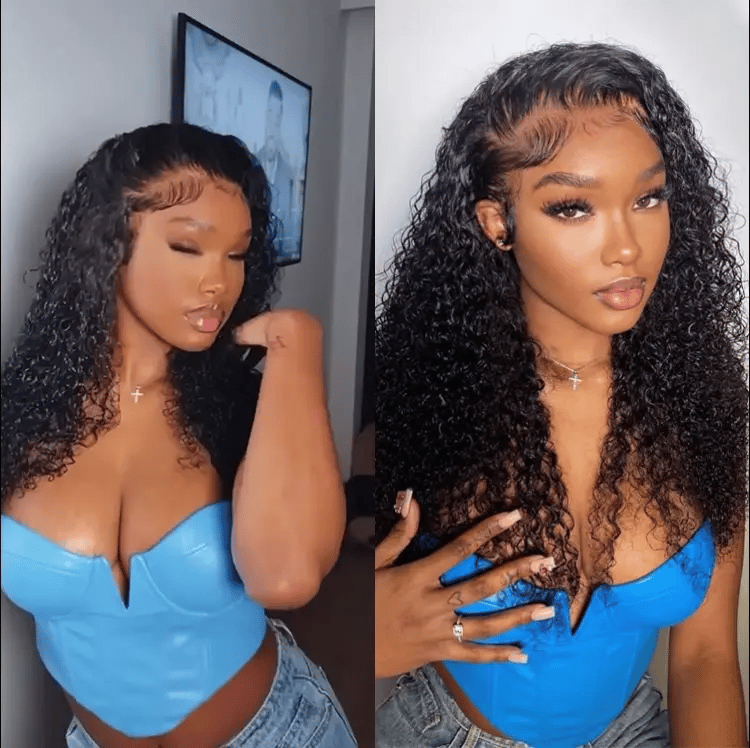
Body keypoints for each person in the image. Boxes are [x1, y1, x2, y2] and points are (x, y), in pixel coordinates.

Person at [375, 42, 748, 748]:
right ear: (497, 223)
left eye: (648, 197)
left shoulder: (702, 395)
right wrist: (367, 634)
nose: (627, 247)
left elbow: (705, 655)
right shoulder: (423, 396)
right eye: (574, 207)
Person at [1, 123, 357, 748]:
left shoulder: (242, 406)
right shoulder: (21, 410)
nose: (220, 282)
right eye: (189, 247)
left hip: (280, 732)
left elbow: (287, 579)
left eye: (237, 255)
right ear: (110, 245)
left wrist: (297, 348)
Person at [257, 80, 296, 260]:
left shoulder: (288, 172)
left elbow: (289, 235)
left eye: (278, 116)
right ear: (264, 115)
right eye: (270, 112)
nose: (274, 122)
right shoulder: (249, 166)